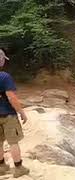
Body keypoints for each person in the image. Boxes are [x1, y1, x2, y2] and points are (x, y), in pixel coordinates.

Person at [0, 49, 30, 178]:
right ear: (1, 60)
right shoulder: (4, 77)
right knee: (13, 142)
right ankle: (19, 168)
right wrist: (21, 112)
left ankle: (1, 166)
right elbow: (11, 97)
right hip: (8, 115)